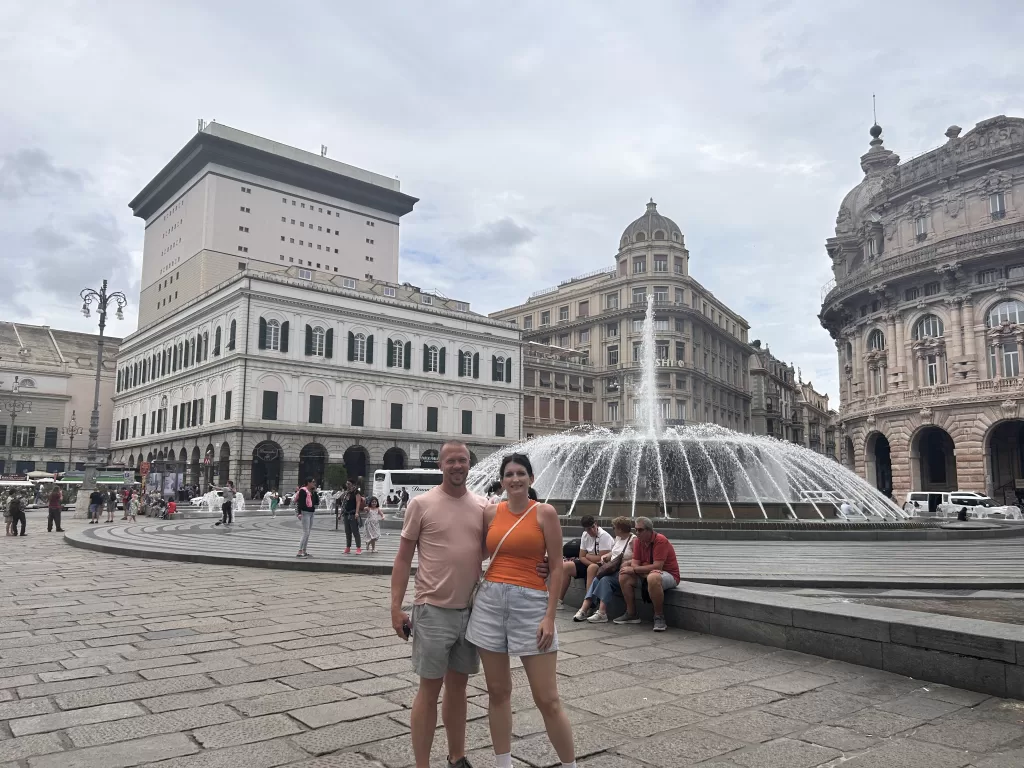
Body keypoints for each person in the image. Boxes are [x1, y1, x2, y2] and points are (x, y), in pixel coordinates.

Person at [391, 441, 551, 768]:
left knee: (458, 688)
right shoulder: (421, 504)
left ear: (469, 464)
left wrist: (543, 562)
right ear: (441, 465)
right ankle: (422, 764)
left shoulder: (482, 506)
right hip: (433, 608)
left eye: (463, 460)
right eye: (451, 461)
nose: (457, 466)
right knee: (429, 690)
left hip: (470, 610)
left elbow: (501, 545)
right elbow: (403, 557)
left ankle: (457, 756)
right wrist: (395, 607)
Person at [465, 453, 576, 768]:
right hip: (489, 603)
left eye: (521, 473)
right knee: (498, 691)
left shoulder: (545, 513)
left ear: (531, 478)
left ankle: (570, 765)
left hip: (530, 604)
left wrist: (550, 616)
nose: (515, 479)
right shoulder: (489, 513)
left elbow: (556, 566)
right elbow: (475, 549)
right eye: (509, 474)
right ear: (501, 480)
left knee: (547, 698)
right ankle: (503, 764)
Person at [615, 516, 680, 632]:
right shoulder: (638, 541)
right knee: (624, 574)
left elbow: (657, 567)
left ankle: (659, 616)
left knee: (653, 578)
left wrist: (638, 569)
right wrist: (642, 570)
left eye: (640, 530)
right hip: (648, 573)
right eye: (636, 529)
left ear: (649, 530)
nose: (637, 533)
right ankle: (631, 614)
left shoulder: (660, 540)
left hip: (669, 575)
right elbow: (634, 564)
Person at [579, 517, 635, 622]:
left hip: (624, 571)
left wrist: (627, 563)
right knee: (597, 578)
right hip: (614, 570)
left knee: (604, 580)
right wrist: (606, 557)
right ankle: (584, 608)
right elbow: (613, 552)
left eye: (614, 528)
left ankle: (601, 613)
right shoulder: (618, 539)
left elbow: (637, 558)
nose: (613, 529)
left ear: (620, 529)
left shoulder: (633, 540)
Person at [557, 515, 613, 610]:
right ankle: (559, 601)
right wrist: (590, 561)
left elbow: (601, 558)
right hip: (589, 563)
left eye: (593, 527)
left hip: (602, 565)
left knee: (592, 569)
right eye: (588, 529)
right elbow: (581, 556)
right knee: (566, 567)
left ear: (596, 524)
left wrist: (588, 556)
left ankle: (589, 605)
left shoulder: (604, 536)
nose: (591, 531)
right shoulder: (585, 535)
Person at [295, 476, 318, 558]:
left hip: (311, 513)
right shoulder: (303, 491)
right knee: (306, 532)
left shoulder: (312, 491)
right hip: (305, 513)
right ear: (308, 483)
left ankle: (304, 551)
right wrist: (299, 513)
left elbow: (316, 502)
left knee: (308, 533)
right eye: (313, 482)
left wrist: (315, 492)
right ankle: (299, 551)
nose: (314, 483)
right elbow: (300, 503)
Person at [341, 480, 363, 554]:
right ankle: (348, 547)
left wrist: (357, 512)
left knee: (355, 531)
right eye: (346, 483)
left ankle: (358, 548)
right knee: (347, 531)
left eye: (349, 483)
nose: (347, 485)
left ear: (353, 484)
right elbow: (344, 504)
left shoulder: (356, 492)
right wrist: (340, 514)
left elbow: (358, 502)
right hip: (346, 514)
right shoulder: (346, 493)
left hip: (353, 514)